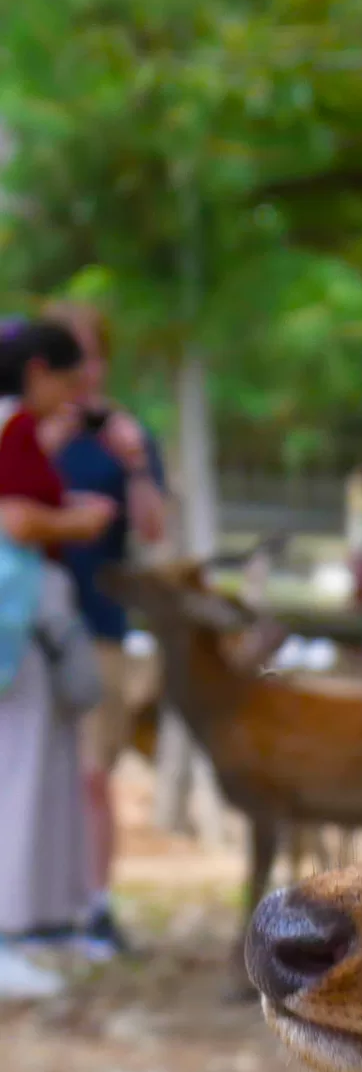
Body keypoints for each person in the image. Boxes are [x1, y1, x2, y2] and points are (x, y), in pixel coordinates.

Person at [42, 302, 168, 955]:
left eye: (87, 353)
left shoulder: (128, 436)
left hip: (98, 624)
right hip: (26, 627)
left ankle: (95, 908)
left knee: (94, 772)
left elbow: (153, 530)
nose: (77, 370)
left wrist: (137, 463)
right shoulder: (22, 431)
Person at [0, 319, 119, 998]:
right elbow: (16, 521)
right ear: (39, 370)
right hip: (19, 624)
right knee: (16, 775)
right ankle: (8, 933)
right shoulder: (14, 425)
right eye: (68, 380)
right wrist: (79, 520)